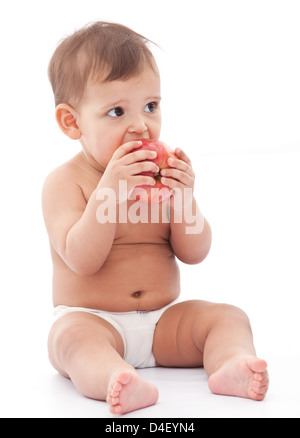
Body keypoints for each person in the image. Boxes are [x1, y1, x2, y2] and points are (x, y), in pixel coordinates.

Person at [42, 22, 269, 415]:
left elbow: (195, 252)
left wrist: (184, 200)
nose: (141, 126)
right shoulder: (65, 183)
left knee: (228, 317)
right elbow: (82, 259)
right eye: (116, 111)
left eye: (150, 106)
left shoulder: (161, 176)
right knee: (70, 340)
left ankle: (228, 364)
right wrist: (108, 194)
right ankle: (114, 377)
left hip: (165, 322)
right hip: (95, 320)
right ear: (72, 122)